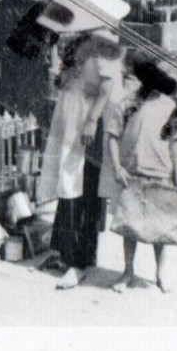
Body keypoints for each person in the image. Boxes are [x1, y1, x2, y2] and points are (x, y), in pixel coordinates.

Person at [37, 29, 124, 289]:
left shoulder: (104, 40)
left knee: (84, 192)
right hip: (70, 121)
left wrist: (91, 121)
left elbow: (107, 87)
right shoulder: (78, 37)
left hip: (88, 127)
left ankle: (80, 262)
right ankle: (64, 254)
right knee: (67, 187)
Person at [105, 57, 177, 294]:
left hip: (161, 172)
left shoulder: (171, 107)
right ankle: (128, 271)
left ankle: (160, 274)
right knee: (129, 226)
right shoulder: (128, 103)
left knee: (161, 228)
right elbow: (112, 136)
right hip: (133, 174)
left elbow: (175, 143)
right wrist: (117, 167)